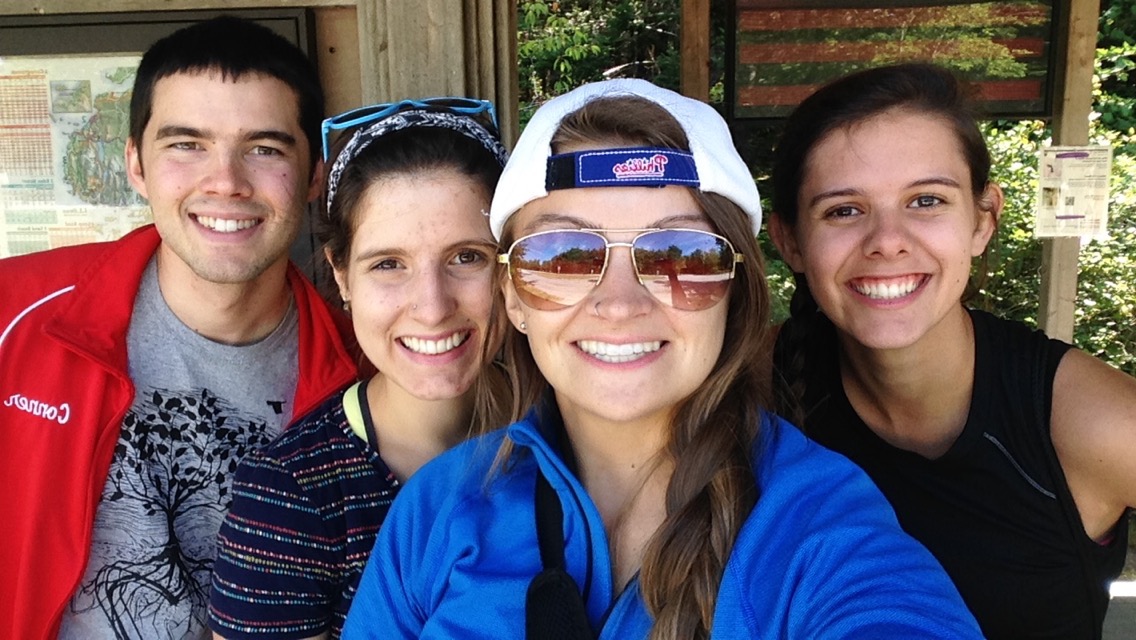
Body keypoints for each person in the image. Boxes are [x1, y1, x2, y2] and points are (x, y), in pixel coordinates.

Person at [341, 78, 983, 639]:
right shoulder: (440, 507)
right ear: (513, 297)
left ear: (735, 292)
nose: (619, 304)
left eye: (681, 254)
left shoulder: (819, 528)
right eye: (562, 255)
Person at [0, 17, 360, 639]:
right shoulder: (15, 313)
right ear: (135, 164)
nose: (226, 182)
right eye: (186, 144)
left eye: (265, 149)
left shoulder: (367, 371)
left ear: (313, 177)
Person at [768, 63, 1136, 639]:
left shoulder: (1092, 421)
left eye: (926, 201)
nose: (887, 241)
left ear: (982, 221)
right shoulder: (750, 382)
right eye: (844, 210)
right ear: (789, 239)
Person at [207, 98, 511, 640]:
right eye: (388, 264)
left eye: (467, 256)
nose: (432, 307)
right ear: (343, 276)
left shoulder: (573, 431)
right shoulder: (290, 497)